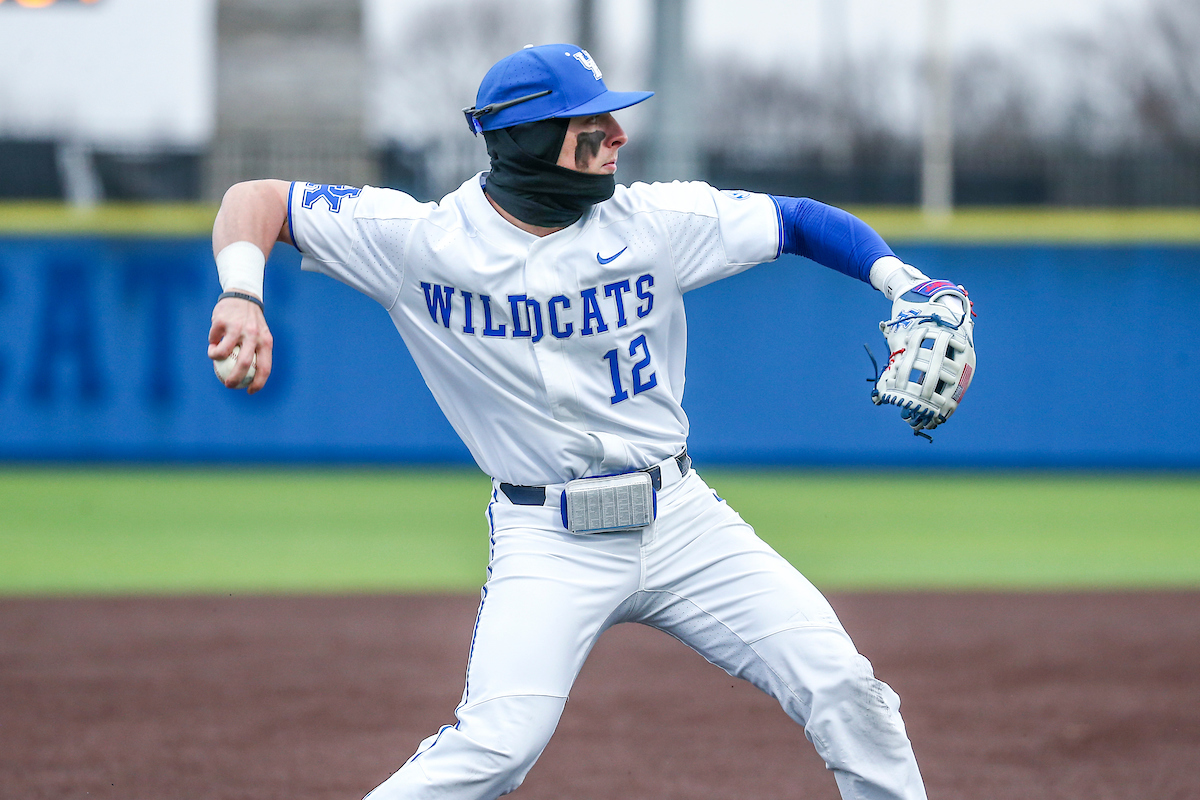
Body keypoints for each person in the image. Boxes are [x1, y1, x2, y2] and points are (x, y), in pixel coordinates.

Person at [207, 44, 951, 800]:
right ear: (529, 137)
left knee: (847, 690)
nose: (619, 136)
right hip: (549, 539)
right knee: (498, 746)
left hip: (683, 522)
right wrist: (242, 293)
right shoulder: (422, 241)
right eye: (592, 123)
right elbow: (256, 198)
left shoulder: (654, 222)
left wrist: (903, 280)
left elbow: (794, 221)